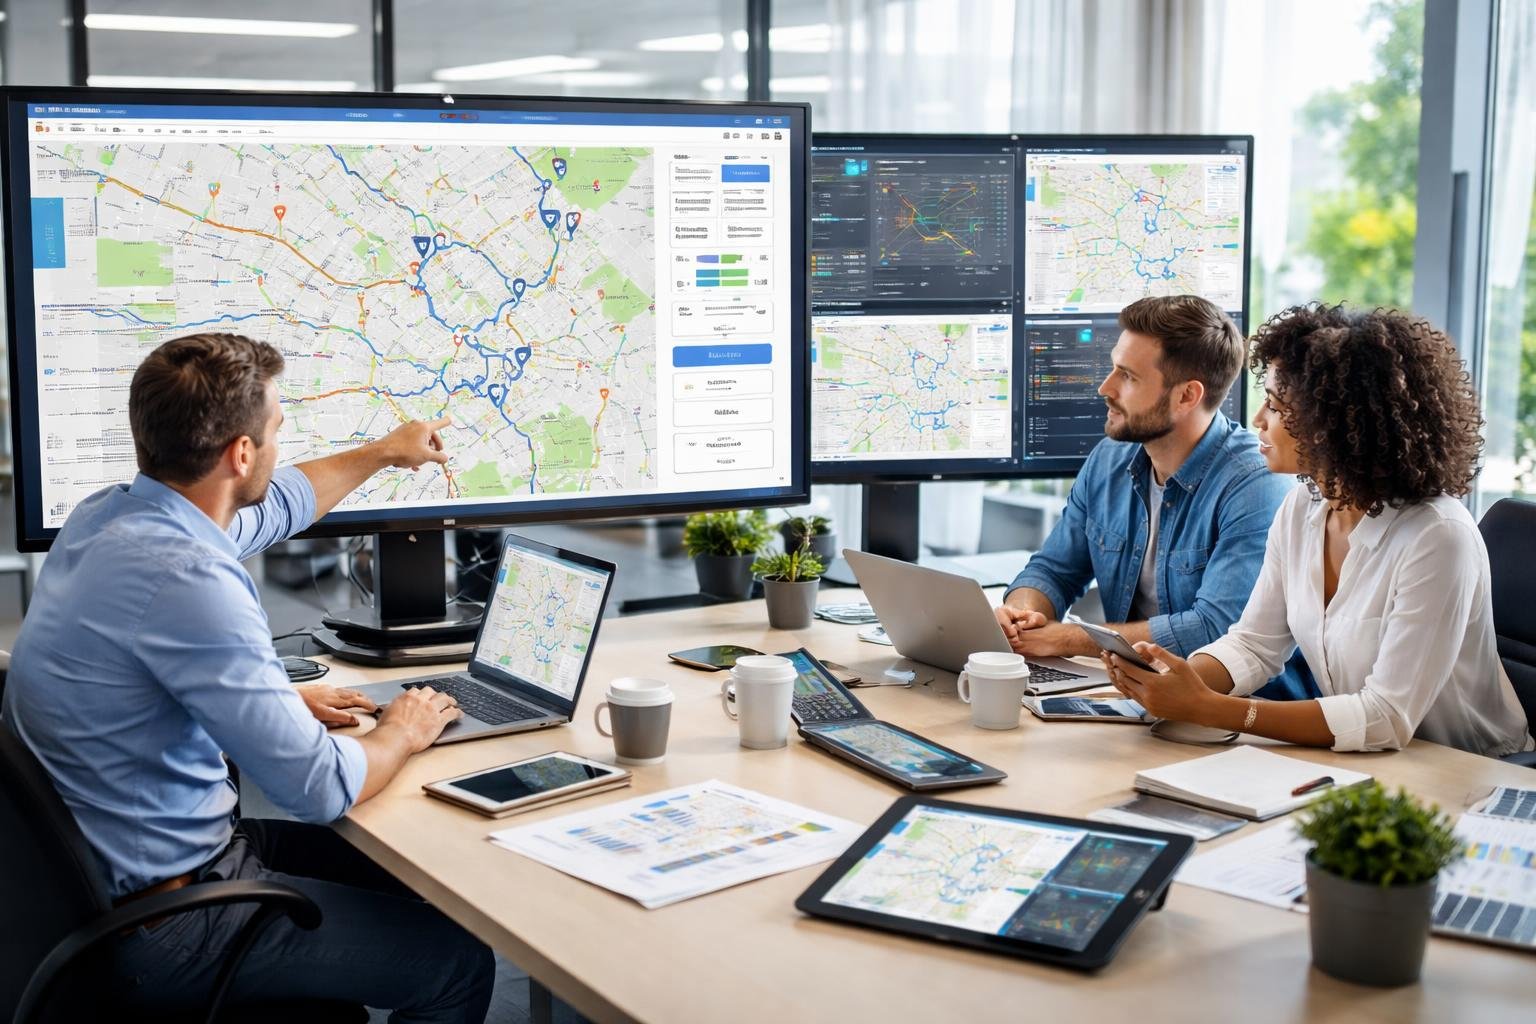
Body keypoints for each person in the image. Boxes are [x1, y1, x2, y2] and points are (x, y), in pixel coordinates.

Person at [1, 333, 495, 1020]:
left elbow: (283, 502)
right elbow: (319, 788)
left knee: (418, 879)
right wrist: (403, 730)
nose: (278, 445)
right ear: (241, 453)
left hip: (115, 883)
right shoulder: (190, 576)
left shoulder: (110, 519)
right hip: (174, 922)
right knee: (456, 962)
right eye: (275, 432)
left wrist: (386, 452)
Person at [1103, 305, 1533, 757]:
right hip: (1373, 762)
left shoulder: (1437, 536)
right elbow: (1254, 644)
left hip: (1471, 773)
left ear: (1337, 422)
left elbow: (1384, 716)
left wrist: (1212, 708)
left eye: (1277, 404)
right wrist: (1178, 682)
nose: (1258, 420)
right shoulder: (1301, 508)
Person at [997, 295, 1310, 699]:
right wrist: (1024, 615)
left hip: (1242, 721)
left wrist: (1065, 639)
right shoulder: (1110, 459)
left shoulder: (1256, 484)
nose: (1105, 388)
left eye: (1127, 376)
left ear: (1186, 396)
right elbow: (1054, 570)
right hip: (1138, 701)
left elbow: (1215, 629)